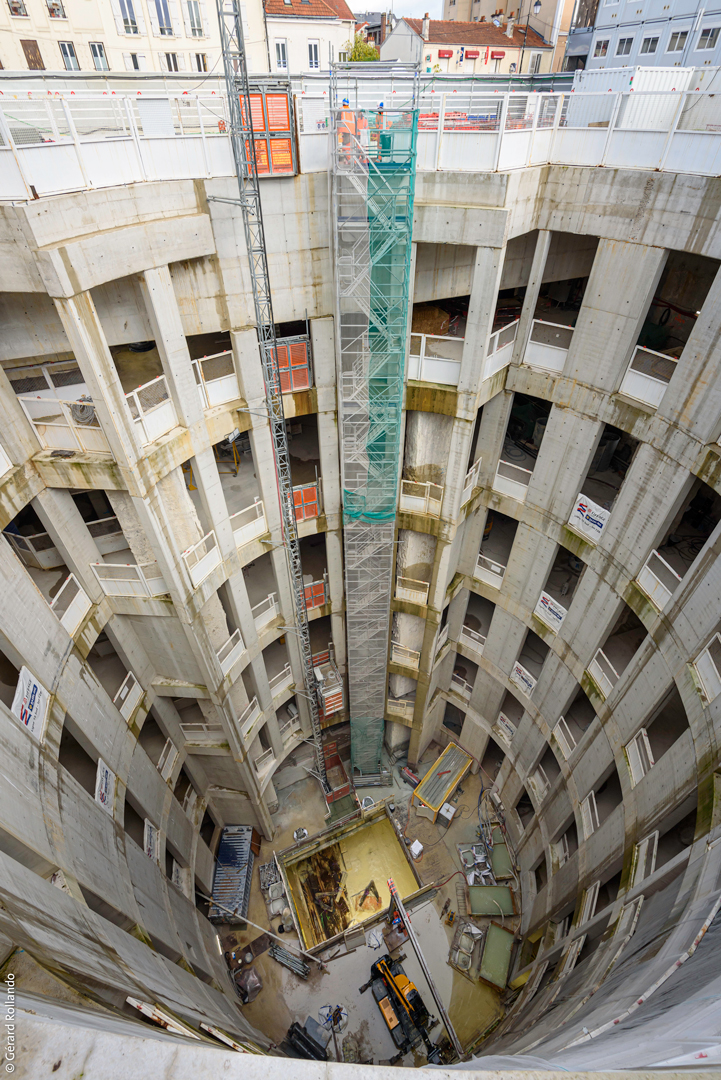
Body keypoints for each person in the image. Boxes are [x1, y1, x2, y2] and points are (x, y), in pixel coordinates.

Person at [338, 97, 356, 162]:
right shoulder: (352, 111)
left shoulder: (341, 109)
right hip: (352, 132)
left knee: (345, 147)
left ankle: (352, 162)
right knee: (349, 147)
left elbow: (337, 121)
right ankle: (350, 161)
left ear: (342, 103)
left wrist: (336, 132)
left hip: (344, 131)